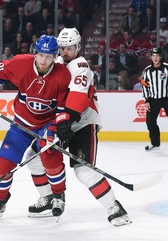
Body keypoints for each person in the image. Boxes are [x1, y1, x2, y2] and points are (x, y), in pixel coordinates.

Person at [26, 27, 132, 226]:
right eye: (62, 48)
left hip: (83, 123)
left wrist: (65, 121)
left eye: (70, 48)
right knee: (32, 159)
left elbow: (78, 98)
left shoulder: (81, 66)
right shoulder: (55, 63)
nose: (65, 52)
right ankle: (49, 200)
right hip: (61, 123)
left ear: (78, 47)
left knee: (83, 170)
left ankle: (115, 208)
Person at [0, 35, 71, 219]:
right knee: (4, 165)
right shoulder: (19, 63)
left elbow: (61, 109)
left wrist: (55, 129)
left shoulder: (62, 75)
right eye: (41, 55)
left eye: (49, 56)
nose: (44, 61)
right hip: (21, 122)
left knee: (50, 155)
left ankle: (58, 196)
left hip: (47, 124)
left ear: (55, 56)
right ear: (35, 53)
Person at [140, 47, 168, 151]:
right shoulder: (147, 70)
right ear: (151, 57)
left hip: (167, 99)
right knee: (150, 122)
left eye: (157, 56)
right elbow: (144, 85)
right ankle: (155, 143)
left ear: (161, 57)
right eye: (153, 56)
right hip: (153, 100)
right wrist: (146, 100)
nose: (155, 58)